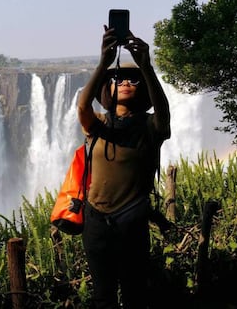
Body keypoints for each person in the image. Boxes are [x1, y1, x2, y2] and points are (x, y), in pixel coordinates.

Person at [77, 25, 171, 309]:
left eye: (133, 80)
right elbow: (82, 108)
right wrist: (103, 63)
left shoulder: (149, 127)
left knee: (134, 293)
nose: (126, 82)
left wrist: (147, 67)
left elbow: (164, 113)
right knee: (102, 296)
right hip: (95, 221)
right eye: (118, 79)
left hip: (131, 221)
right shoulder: (98, 124)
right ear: (108, 89)